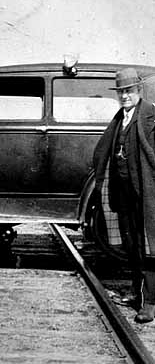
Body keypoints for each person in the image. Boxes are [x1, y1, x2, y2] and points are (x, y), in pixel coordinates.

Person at [93, 67, 155, 323]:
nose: (125, 96)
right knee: (132, 245)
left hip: (147, 192)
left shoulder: (151, 114)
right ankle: (137, 292)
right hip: (125, 193)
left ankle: (150, 302)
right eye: (121, 92)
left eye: (129, 91)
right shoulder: (121, 117)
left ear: (138, 91)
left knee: (149, 246)